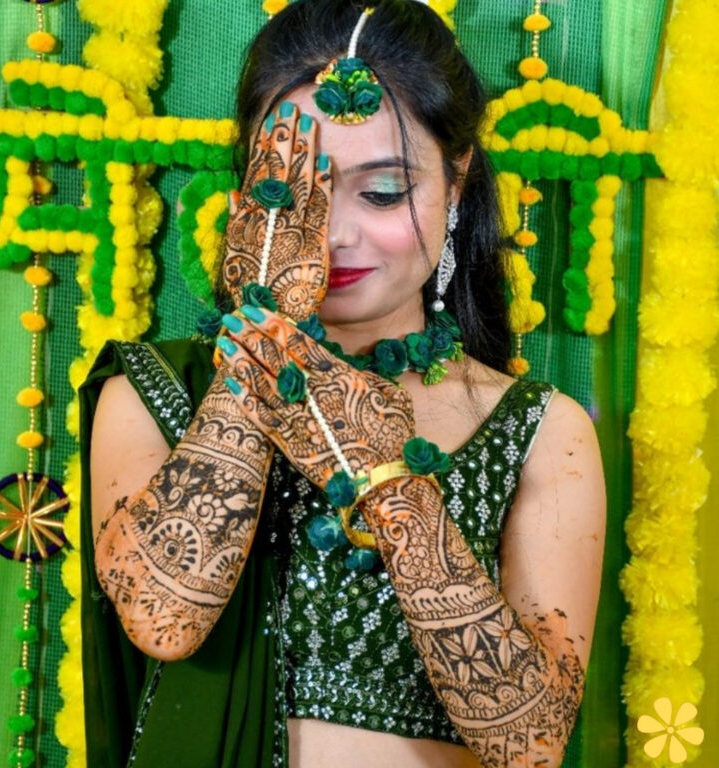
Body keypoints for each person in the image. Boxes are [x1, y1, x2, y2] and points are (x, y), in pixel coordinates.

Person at [80, 1, 606, 767]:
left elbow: (529, 744)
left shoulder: (539, 431)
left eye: (384, 192)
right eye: (294, 193)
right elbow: (164, 620)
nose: (332, 235)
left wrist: (393, 483)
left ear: (456, 182)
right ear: (245, 194)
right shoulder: (161, 391)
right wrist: (261, 333)